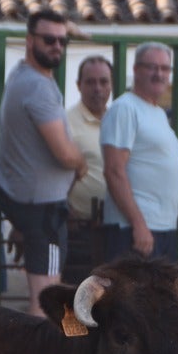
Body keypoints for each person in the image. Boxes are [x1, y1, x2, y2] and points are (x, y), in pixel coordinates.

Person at [0, 9, 86, 316]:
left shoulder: (21, 74)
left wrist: (75, 30)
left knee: (48, 292)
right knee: (46, 296)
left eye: (62, 40)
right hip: (41, 208)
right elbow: (63, 152)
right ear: (29, 41)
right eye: (49, 40)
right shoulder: (38, 87)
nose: (57, 46)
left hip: (27, 200)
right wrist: (80, 162)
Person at [102, 42, 178, 261]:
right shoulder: (125, 108)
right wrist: (139, 225)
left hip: (161, 229)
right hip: (135, 232)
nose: (159, 74)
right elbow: (114, 171)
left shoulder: (157, 113)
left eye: (165, 68)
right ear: (136, 70)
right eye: (152, 67)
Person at [64, 55, 112, 285]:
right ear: (78, 85)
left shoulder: (117, 119)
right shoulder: (66, 122)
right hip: (79, 230)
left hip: (113, 229)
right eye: (90, 82)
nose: (98, 89)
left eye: (104, 82)